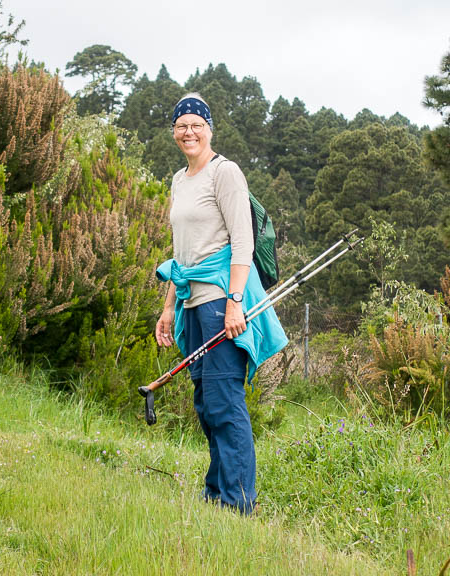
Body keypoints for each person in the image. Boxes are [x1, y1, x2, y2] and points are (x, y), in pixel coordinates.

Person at [154, 93, 287, 515]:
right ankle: (216, 494)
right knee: (205, 402)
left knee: (224, 400)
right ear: (173, 132)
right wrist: (169, 306)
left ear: (209, 129)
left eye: (196, 124)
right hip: (191, 303)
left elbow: (243, 241)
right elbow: (182, 253)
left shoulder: (224, 173)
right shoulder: (180, 179)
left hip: (220, 302)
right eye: (181, 125)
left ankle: (238, 503)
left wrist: (233, 303)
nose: (188, 132)